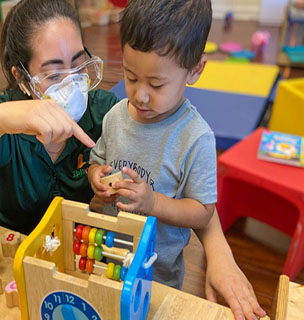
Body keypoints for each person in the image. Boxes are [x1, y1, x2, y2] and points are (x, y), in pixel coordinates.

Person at [0, 0, 265, 319]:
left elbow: (188, 189)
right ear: (23, 78)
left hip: (79, 259)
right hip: (11, 246)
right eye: (55, 72)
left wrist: (220, 255)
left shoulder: (109, 113)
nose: (74, 83)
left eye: (79, 64)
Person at [87, 1, 266, 319]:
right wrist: (96, 176)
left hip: (158, 276)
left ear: (195, 70)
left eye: (156, 84)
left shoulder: (195, 138)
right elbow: (98, 158)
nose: (140, 95)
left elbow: (201, 212)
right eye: (131, 76)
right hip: (108, 257)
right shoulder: (116, 115)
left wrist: (152, 202)